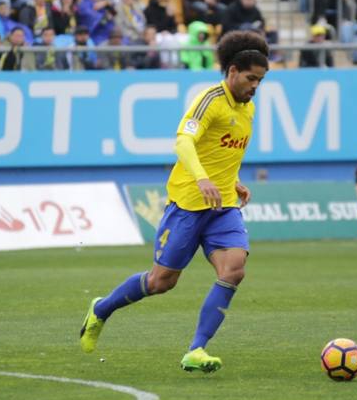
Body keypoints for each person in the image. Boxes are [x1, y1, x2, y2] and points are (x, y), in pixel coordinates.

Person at [79, 32, 270, 374]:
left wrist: (232, 180)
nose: (255, 86)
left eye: (261, 80)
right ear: (232, 72)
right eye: (251, 78)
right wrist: (201, 178)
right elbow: (184, 142)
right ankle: (101, 309)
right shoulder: (210, 100)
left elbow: (223, 149)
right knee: (161, 282)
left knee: (234, 270)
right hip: (186, 204)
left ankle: (196, 349)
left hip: (223, 206)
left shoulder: (248, 109)